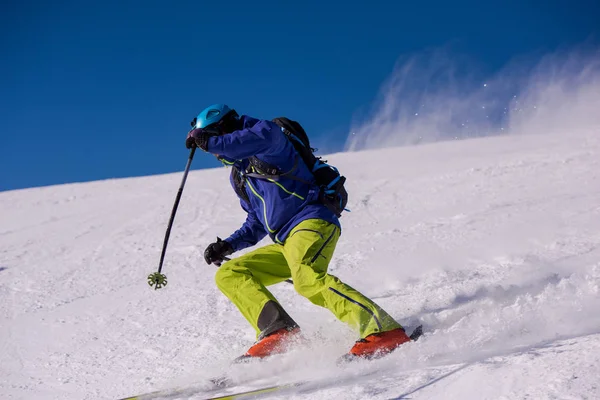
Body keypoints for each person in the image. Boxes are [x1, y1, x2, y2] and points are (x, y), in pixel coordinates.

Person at [185, 103, 412, 360]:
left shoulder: (269, 136)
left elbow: (248, 140)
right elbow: (257, 221)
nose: (213, 152)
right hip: (285, 241)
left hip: (311, 221)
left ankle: (383, 330)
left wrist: (207, 140)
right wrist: (228, 245)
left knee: (307, 279)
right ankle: (278, 331)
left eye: (213, 140)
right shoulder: (240, 175)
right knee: (230, 274)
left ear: (225, 128)